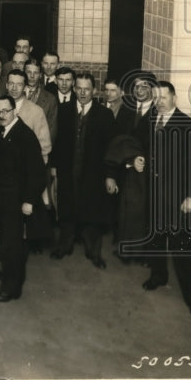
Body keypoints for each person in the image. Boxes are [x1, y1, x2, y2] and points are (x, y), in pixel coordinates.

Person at [141, 81, 191, 319]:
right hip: (155, 197)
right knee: (156, 241)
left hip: (179, 200)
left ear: (174, 98)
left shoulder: (189, 126)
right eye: (156, 97)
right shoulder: (151, 121)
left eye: (163, 97)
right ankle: (158, 277)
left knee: (182, 251)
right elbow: (144, 150)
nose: (159, 101)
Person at [50, 73, 117, 268]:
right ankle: (64, 245)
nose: (82, 92)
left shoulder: (104, 115)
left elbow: (110, 148)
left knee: (93, 212)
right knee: (66, 208)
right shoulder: (63, 111)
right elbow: (57, 142)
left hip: (93, 174)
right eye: (79, 88)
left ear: (94, 91)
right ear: (74, 89)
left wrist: (110, 175)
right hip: (67, 170)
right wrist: (54, 166)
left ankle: (93, 252)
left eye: (87, 89)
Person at [0, 96, 47, 302]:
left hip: (16, 202)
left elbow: (37, 172)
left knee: (13, 245)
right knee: (5, 242)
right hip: (1, 201)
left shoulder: (25, 136)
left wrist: (29, 200)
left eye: (6, 111)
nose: (2, 115)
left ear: (15, 111)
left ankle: (11, 288)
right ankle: (9, 274)